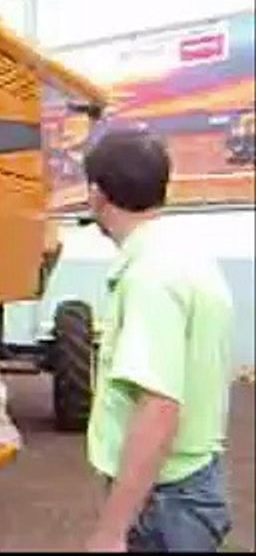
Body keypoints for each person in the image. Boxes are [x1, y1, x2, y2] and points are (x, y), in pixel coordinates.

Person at [82, 127, 235, 552]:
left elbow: (158, 407)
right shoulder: (185, 256)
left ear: (97, 194)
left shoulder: (150, 277)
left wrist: (111, 532)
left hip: (166, 504)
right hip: (187, 487)